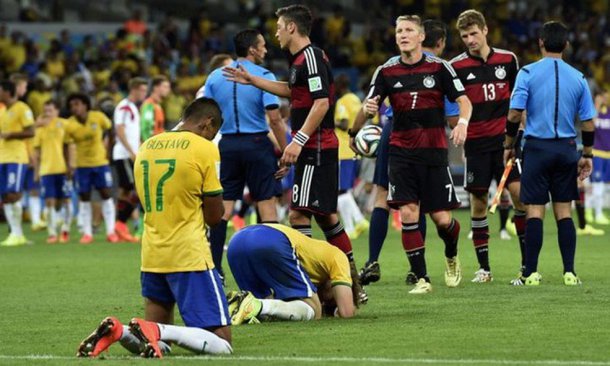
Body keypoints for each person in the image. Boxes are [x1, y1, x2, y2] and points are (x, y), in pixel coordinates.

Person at [77, 98, 232, 359]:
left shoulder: (146, 147)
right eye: (213, 132)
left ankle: (120, 331)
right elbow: (214, 218)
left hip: (152, 254)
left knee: (158, 345)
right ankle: (158, 329)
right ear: (208, 124)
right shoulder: (204, 149)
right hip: (189, 255)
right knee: (223, 344)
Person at [224, 5, 359, 283]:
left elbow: (322, 103)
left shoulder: (311, 57)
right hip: (313, 146)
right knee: (326, 217)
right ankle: (352, 280)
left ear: (291, 28)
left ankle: (308, 283)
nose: (275, 34)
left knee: (298, 215)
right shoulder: (299, 60)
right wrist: (253, 80)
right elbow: (290, 90)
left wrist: (297, 141)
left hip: (317, 147)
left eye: (278, 27)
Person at [354, 15, 472, 294]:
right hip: (400, 151)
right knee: (408, 212)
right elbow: (368, 104)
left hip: (433, 152)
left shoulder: (440, 68)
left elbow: (464, 102)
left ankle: (451, 254)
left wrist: (463, 125)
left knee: (442, 219)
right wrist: (362, 117)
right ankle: (422, 279)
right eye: (399, 31)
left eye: (409, 30)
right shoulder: (385, 71)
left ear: (421, 37)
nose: (403, 35)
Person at [504, 21, 596, 286]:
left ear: (541, 42)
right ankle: (569, 273)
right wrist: (587, 154)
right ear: (567, 45)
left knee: (534, 209)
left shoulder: (527, 73)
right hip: (566, 148)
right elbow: (588, 122)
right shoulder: (578, 77)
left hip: (537, 148)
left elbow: (513, 113)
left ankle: (531, 274)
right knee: (564, 211)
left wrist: (509, 145)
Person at [446, 9, 526, 283]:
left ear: (485, 30)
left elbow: (519, 100)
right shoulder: (455, 67)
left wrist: (520, 132)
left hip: (506, 144)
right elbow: (451, 107)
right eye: (465, 35)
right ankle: (484, 269)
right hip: (476, 145)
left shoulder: (508, 60)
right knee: (478, 204)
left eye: (474, 33)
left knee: (520, 197)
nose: (470, 40)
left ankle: (528, 266)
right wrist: (460, 126)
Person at [204, 29, 287, 278]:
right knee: (267, 207)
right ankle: (272, 271)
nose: (265, 49)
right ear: (252, 49)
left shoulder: (215, 78)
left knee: (224, 209)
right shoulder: (264, 76)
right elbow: (274, 119)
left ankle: (215, 269)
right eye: (262, 45)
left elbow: (208, 117)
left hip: (227, 145)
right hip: (257, 144)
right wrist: (286, 151)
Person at [227, 223, 356, 324]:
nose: (327, 300)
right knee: (315, 310)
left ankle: (230, 307)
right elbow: (347, 312)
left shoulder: (308, 269)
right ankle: (256, 305)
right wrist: (339, 309)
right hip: (271, 239)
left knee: (261, 310)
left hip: (237, 241)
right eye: (332, 299)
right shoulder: (339, 257)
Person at [64, 93, 119, 244]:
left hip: (100, 163)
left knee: (106, 194)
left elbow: (110, 130)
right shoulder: (69, 124)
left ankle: (111, 232)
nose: (74, 108)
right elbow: (65, 144)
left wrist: (109, 151)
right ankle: (87, 234)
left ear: (85, 104)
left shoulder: (98, 117)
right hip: (82, 166)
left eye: (77, 104)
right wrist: (69, 164)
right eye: (71, 106)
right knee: (84, 197)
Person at [112, 77, 148, 243]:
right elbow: (120, 130)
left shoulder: (133, 107)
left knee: (126, 191)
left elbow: (134, 134)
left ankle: (119, 226)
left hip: (131, 153)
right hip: (124, 154)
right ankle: (120, 223)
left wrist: (141, 148)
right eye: (142, 90)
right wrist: (131, 151)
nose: (144, 94)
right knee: (134, 189)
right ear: (134, 89)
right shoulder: (124, 106)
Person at [32, 100, 73, 243]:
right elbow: (37, 151)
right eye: (45, 110)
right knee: (49, 201)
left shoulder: (64, 124)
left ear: (57, 111)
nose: (47, 113)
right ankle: (52, 233)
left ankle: (65, 230)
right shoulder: (40, 128)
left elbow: (69, 146)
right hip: (46, 170)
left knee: (65, 200)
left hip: (62, 168)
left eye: (50, 110)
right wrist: (36, 172)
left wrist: (70, 165)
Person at [334, 74, 369, 239]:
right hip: (356, 150)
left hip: (343, 150)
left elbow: (344, 123)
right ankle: (354, 224)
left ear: (339, 87)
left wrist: (328, 121)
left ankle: (356, 223)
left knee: (341, 190)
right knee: (343, 190)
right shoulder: (355, 99)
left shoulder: (342, 102)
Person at [0, 80, 35, 246]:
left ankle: (17, 233)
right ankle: (15, 234)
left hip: (16, 158)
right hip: (3, 158)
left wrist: (11, 135)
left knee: (13, 193)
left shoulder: (22, 108)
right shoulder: (2, 111)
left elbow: (31, 131)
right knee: (5, 196)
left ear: (8, 92)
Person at [588, 90, 610, 226]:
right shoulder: (596, 112)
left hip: (608, 154)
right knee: (597, 185)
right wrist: (597, 105)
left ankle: (593, 210)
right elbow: (591, 124)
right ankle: (596, 213)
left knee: (604, 187)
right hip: (597, 153)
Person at [140, 75, 170, 142]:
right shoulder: (149, 105)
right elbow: (146, 130)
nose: (168, 90)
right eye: (165, 87)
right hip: (151, 148)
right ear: (155, 88)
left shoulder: (158, 106)